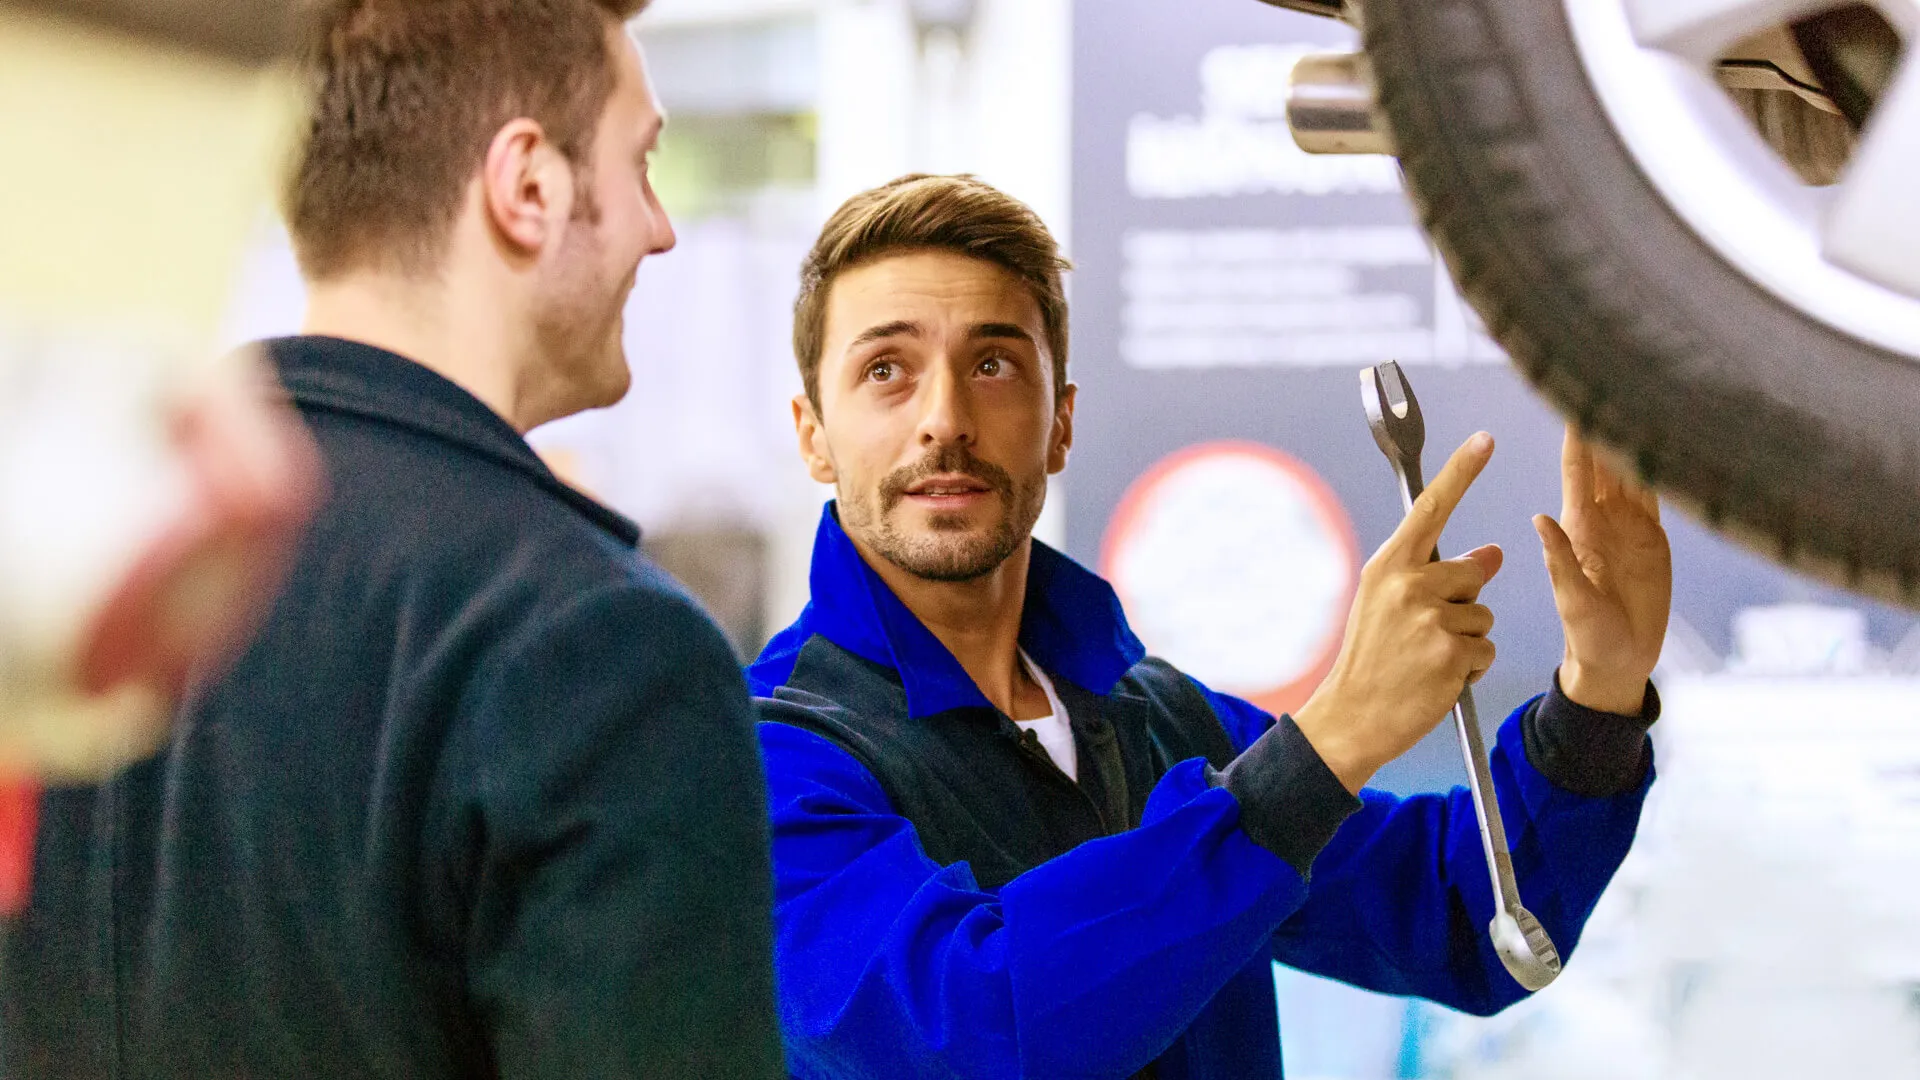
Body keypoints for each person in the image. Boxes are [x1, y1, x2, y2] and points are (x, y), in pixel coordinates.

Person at [0, 2, 784, 1077]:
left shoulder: (72, 580)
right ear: (529, 190)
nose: (663, 227)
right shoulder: (608, 654)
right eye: (642, 165)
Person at [750, 174, 1672, 1079]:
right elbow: (983, 1028)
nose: (944, 419)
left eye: (993, 363)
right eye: (886, 371)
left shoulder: (1157, 722)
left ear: (1060, 422)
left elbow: (1470, 919)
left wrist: (1600, 689)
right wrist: (1329, 743)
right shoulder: (773, 764)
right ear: (813, 434)